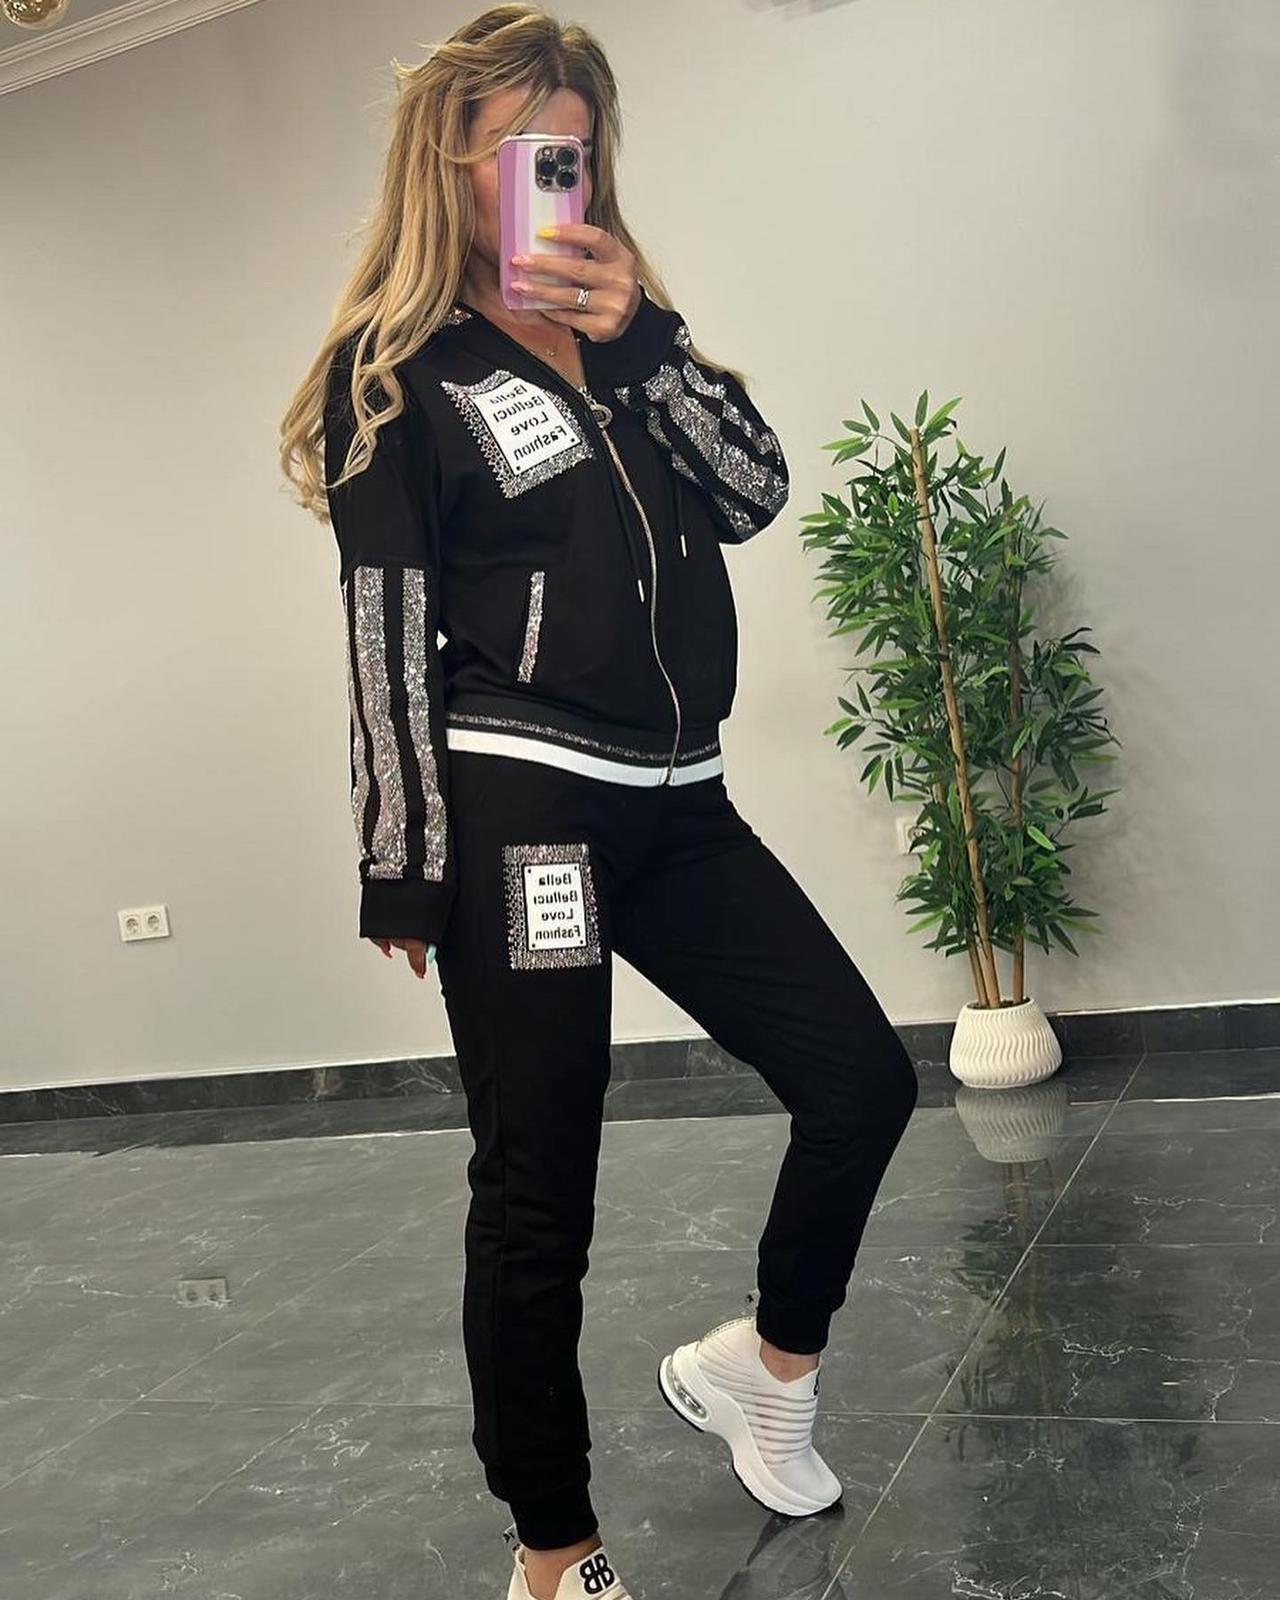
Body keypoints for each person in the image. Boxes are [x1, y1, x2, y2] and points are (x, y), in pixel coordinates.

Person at [279, 8, 918, 1598]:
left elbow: (756, 491)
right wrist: (404, 861)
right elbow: (385, 629)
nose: (543, 174)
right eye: (514, 146)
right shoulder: (398, 376)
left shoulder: (635, 345)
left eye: (566, 148)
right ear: (449, 156)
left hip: (682, 804)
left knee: (861, 1082)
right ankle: (556, 1554)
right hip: (525, 817)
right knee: (539, 1184)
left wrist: (645, 342)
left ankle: (765, 1369)